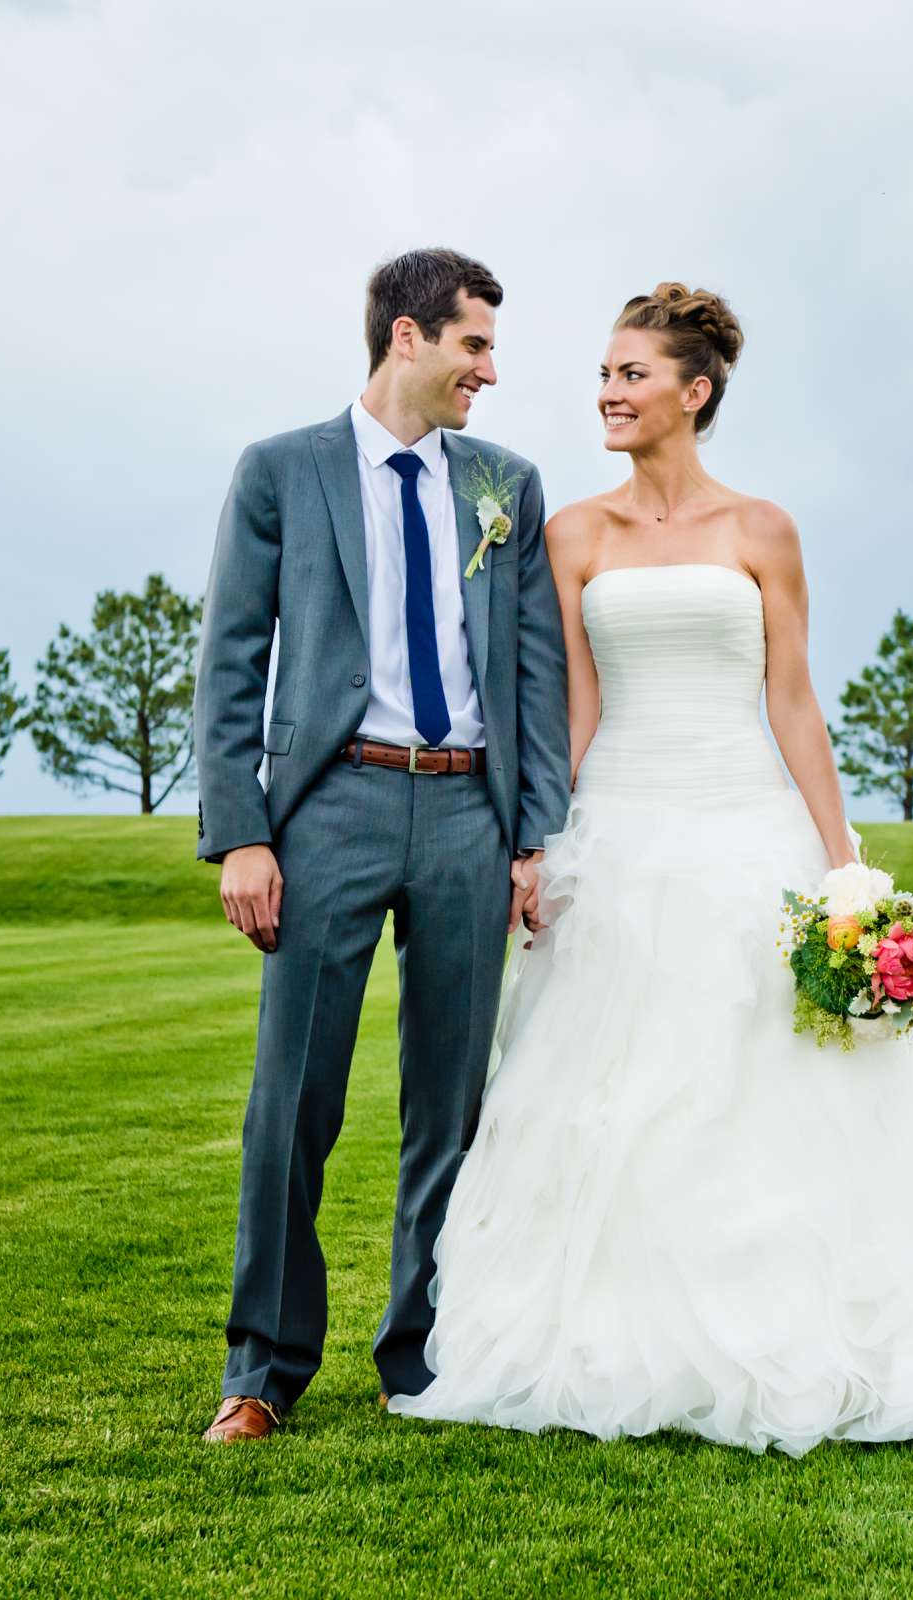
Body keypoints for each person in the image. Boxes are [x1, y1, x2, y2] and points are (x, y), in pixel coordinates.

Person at [388, 283, 913, 1455]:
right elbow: (576, 701)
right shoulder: (572, 533)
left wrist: (844, 865)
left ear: (694, 391)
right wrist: (539, 840)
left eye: (631, 376)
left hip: (745, 826)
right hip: (617, 830)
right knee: (608, 1087)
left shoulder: (762, 529)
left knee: (771, 1085)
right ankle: (610, 1335)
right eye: (604, 376)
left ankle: (811, 1331)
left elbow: (795, 703)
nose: (607, 394)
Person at [194, 248, 570, 1444]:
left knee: (449, 1106)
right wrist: (242, 834)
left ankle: (423, 1356)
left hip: (469, 813)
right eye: (475, 344)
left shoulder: (507, 483)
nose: (491, 372)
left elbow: (533, 674)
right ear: (407, 337)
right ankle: (262, 1370)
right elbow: (230, 664)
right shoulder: (281, 472)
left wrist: (531, 837)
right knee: (292, 1099)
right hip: (331, 810)